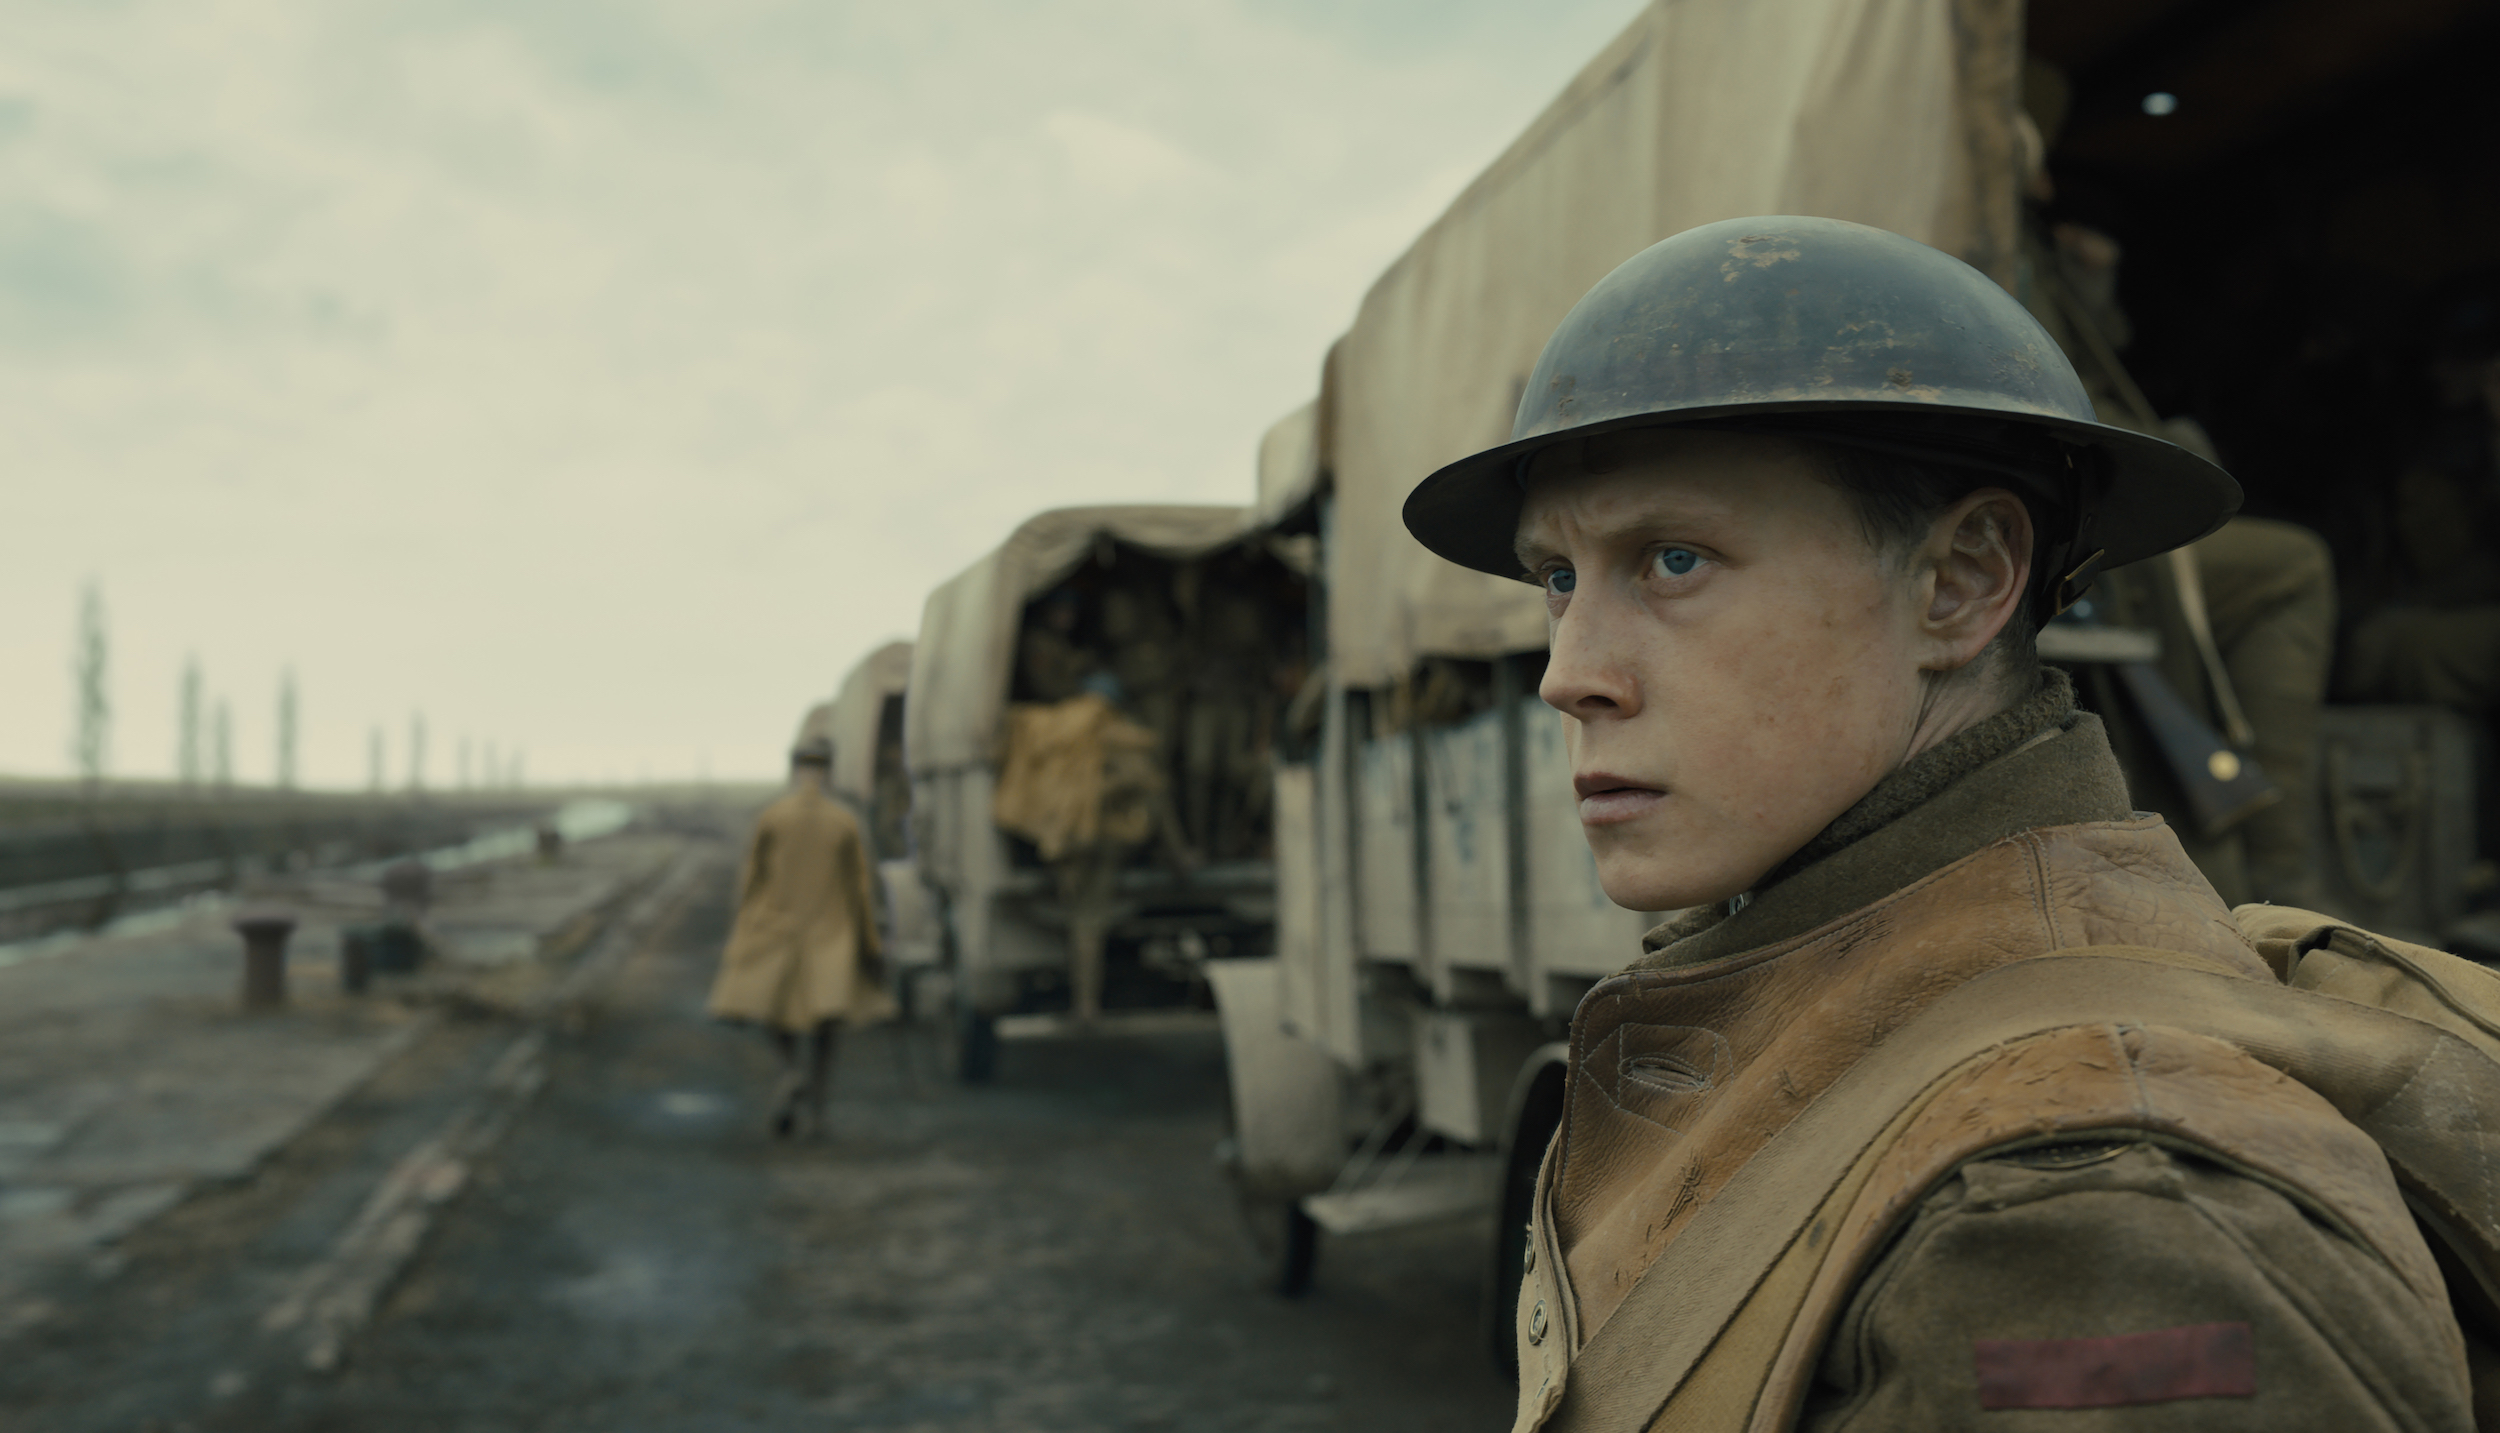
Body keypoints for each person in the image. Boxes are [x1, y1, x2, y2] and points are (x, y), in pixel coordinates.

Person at [1401, 216, 2500, 1429]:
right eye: (1556, 576)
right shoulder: (1841, 1000)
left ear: (1962, 582)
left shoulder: (2086, 1214)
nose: (1569, 672)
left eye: (1671, 559)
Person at [707, 734, 891, 1137]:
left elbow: (751, 881)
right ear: (830, 768)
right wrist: (871, 945)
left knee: (775, 1013)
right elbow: (861, 887)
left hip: (776, 929)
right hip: (832, 933)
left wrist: (741, 932)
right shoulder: (845, 820)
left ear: (794, 767)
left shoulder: (773, 816)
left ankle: (790, 1072)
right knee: (827, 1027)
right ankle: (819, 1113)